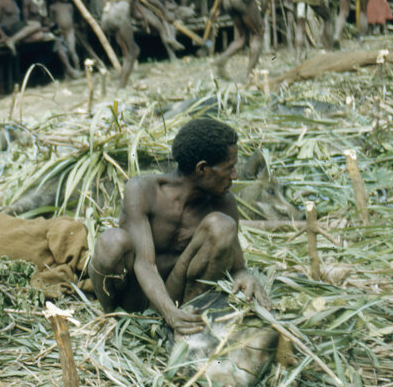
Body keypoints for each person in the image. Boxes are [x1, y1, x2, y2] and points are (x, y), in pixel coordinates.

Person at [90, 117, 271, 336]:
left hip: (179, 296)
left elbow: (238, 265)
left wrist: (246, 276)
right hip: (133, 296)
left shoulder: (223, 203)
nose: (235, 175)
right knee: (111, 241)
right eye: (229, 168)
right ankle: (111, 320)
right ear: (203, 168)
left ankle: (189, 318)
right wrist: (168, 312)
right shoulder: (143, 190)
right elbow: (144, 263)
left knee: (222, 225)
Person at [101, 0, 174, 88]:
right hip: (120, 12)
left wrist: (135, 14)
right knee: (132, 53)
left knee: (132, 50)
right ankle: (120, 89)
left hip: (108, 13)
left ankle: (121, 86)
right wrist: (163, 9)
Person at [132, 0, 185, 64]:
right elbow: (151, 3)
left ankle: (172, 40)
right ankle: (172, 54)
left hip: (160, 12)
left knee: (171, 26)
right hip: (152, 13)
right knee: (164, 28)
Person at [48, 0, 83, 77]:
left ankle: (78, 70)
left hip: (70, 31)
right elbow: (52, 21)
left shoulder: (69, 6)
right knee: (64, 52)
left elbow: (71, 18)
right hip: (60, 33)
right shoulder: (53, 7)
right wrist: (55, 30)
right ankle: (66, 75)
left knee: (72, 50)